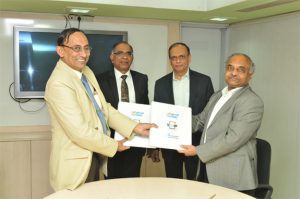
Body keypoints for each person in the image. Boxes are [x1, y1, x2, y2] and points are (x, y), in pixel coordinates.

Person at [45, 28, 156, 191]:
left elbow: (105, 109)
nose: (84, 54)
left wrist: (135, 127)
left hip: (96, 156)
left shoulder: (86, 72)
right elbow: (79, 131)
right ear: (60, 50)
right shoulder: (59, 83)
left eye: (86, 48)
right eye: (76, 48)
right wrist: (114, 145)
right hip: (76, 166)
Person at [178, 53, 264, 196]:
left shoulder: (251, 101)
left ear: (250, 75)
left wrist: (198, 151)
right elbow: (199, 121)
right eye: (230, 68)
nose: (234, 73)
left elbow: (233, 139)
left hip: (232, 176)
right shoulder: (218, 95)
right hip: (208, 168)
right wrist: (168, 121)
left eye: (241, 70)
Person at [151, 42, 214, 179]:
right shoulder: (160, 83)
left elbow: (211, 114)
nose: (177, 61)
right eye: (173, 58)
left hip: (196, 143)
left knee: (197, 183)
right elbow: (157, 115)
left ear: (189, 58)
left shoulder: (204, 81)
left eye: (182, 57)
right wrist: (155, 146)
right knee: (173, 183)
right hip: (169, 144)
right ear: (170, 60)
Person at [96, 41, 149, 179]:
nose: (125, 57)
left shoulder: (142, 79)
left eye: (128, 53)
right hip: (111, 142)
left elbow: (146, 108)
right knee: (112, 184)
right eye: (120, 53)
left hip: (136, 141)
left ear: (132, 57)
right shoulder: (99, 80)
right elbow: (99, 111)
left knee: (132, 184)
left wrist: (150, 144)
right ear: (112, 57)